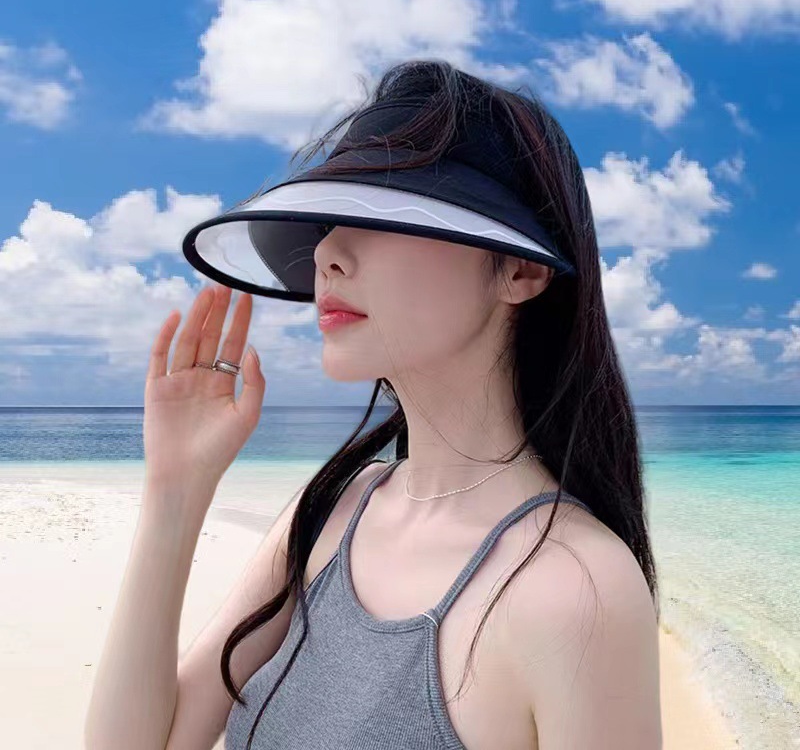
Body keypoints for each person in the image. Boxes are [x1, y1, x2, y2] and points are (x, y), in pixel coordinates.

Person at [85, 60, 662, 750]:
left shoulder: (574, 589)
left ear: (521, 268)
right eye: (332, 219)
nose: (327, 251)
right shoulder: (333, 510)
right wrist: (175, 490)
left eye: (386, 212)